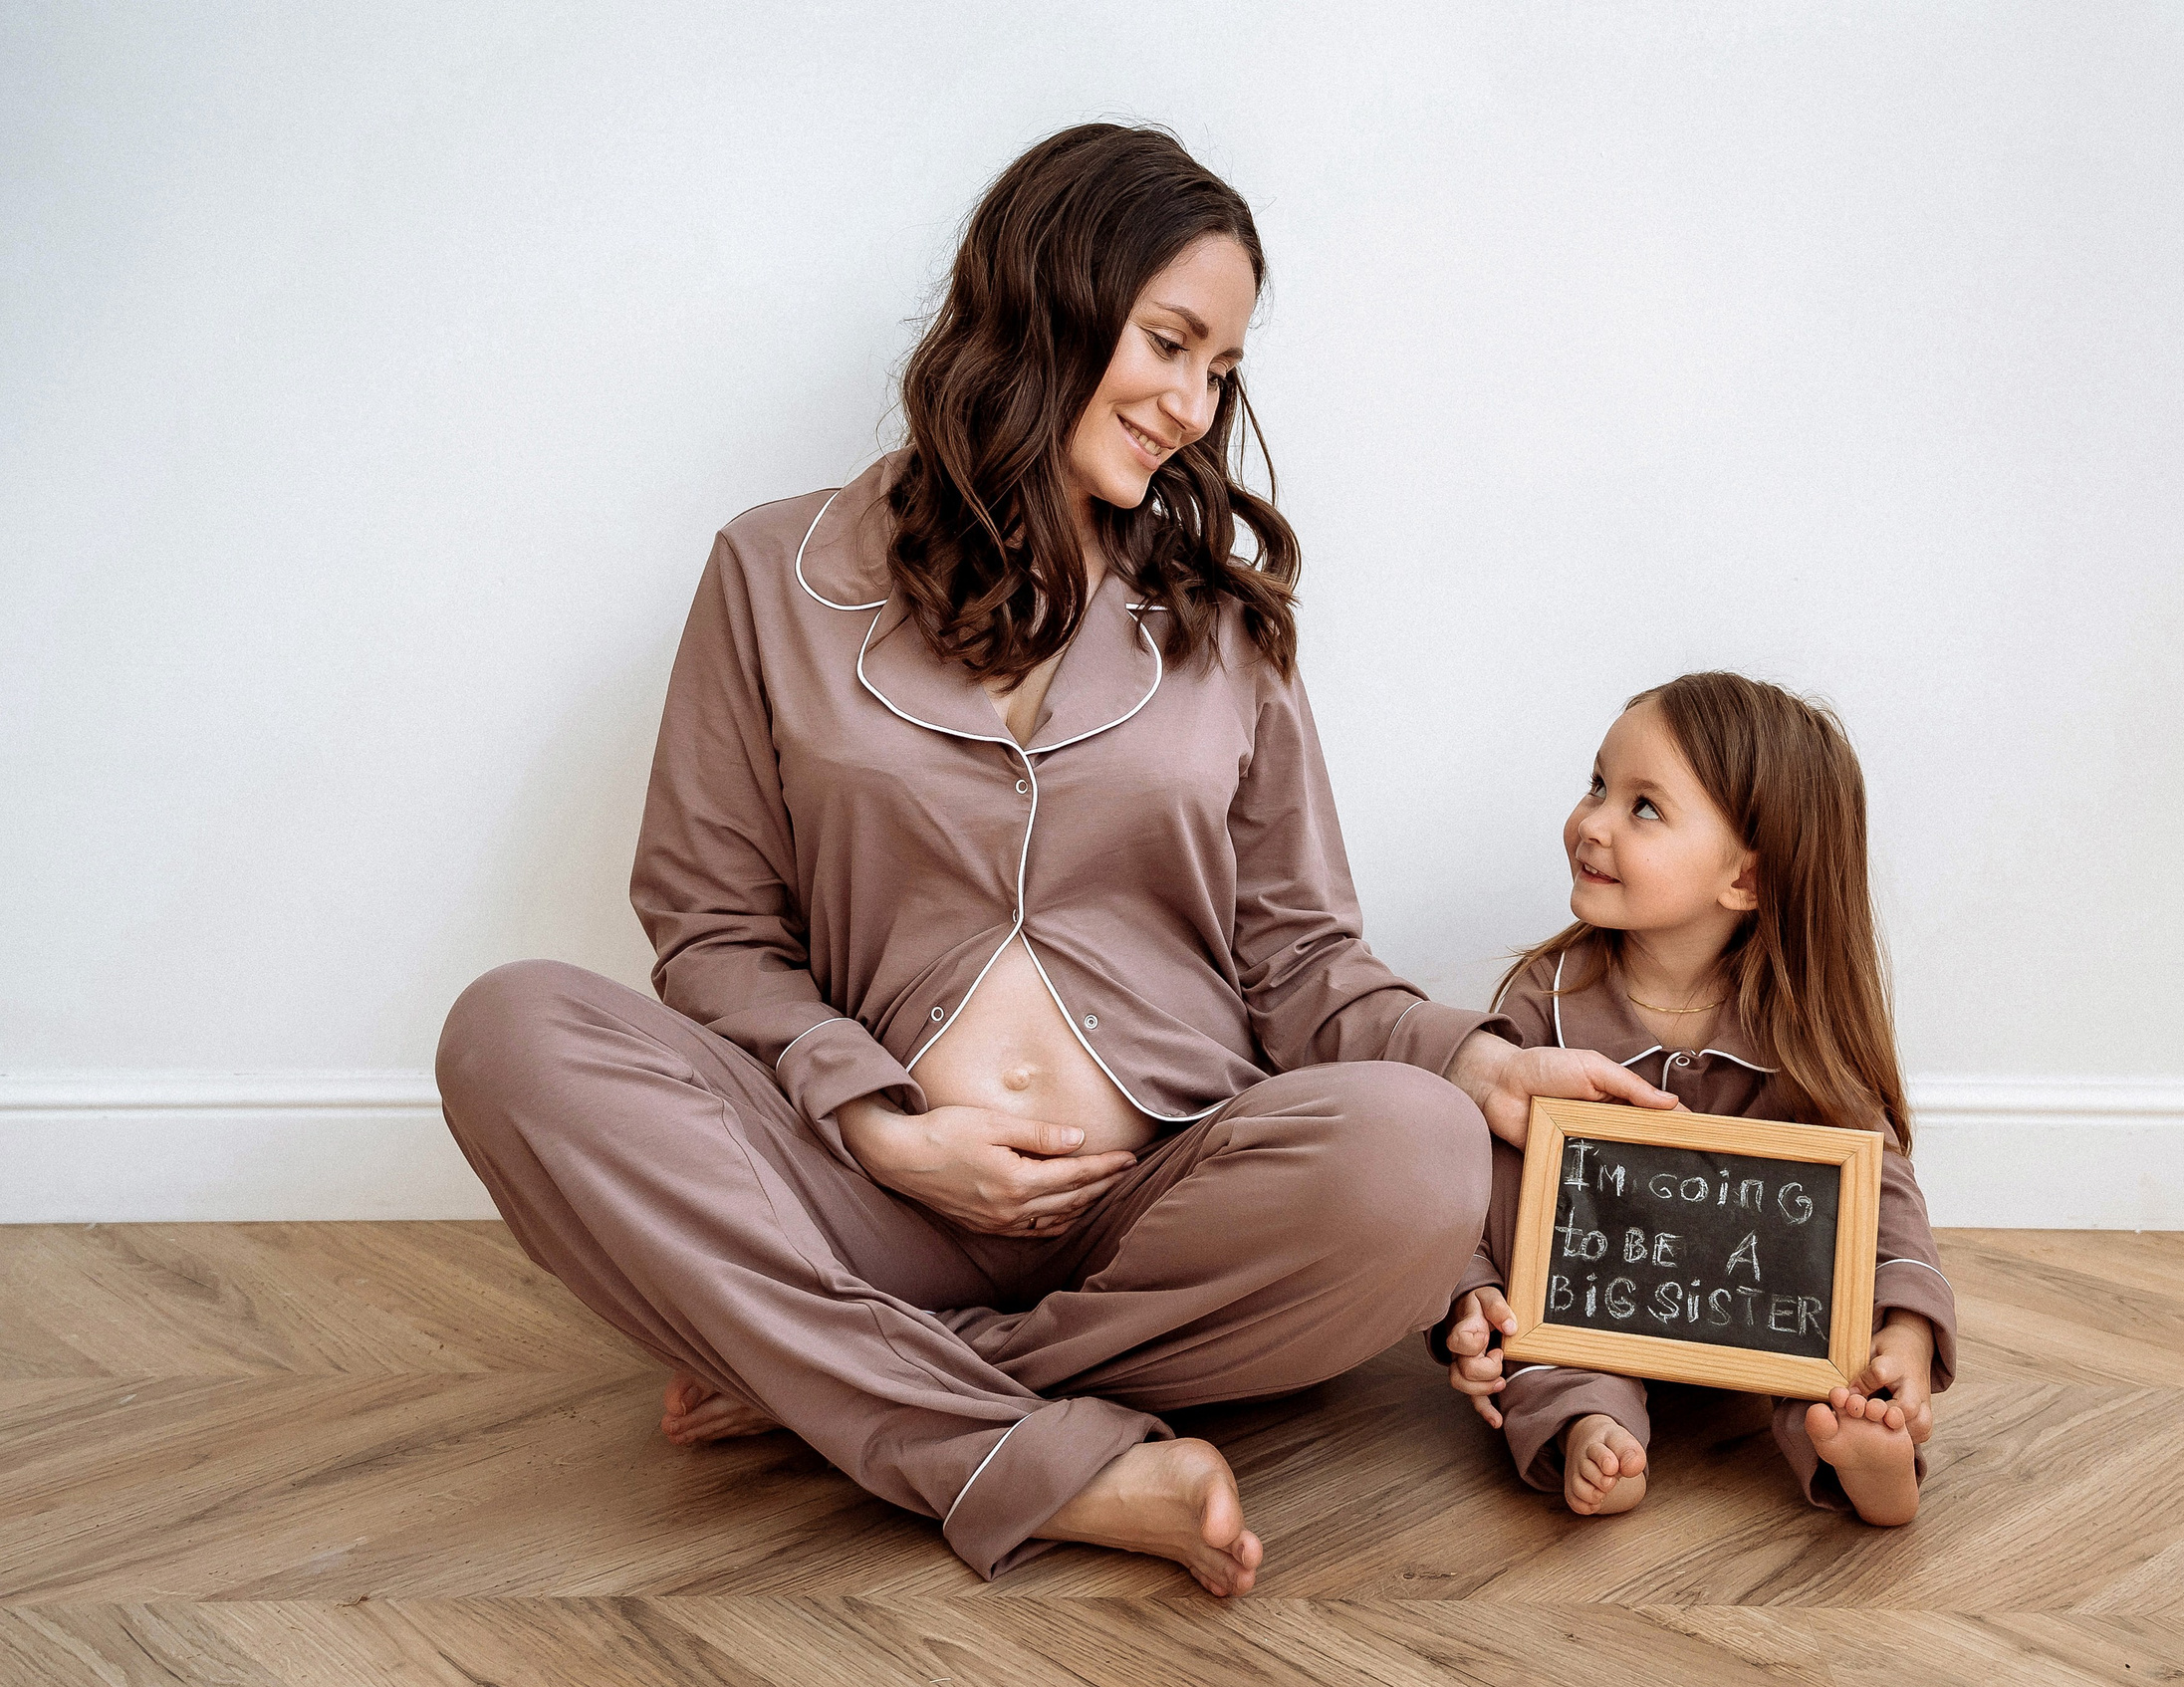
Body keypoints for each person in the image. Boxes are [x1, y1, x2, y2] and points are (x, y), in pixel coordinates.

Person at [433, 122, 1674, 1595]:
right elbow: (711, 934)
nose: (1192, 401)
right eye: (1169, 341)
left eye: (1220, 369)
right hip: (860, 1191)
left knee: (1417, 1152)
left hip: (1160, 1211)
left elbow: (1299, 957)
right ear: (1051, 294)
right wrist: (879, 1122)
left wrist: (1470, 1060)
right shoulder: (772, 573)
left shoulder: (1224, 624)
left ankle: (841, 1386)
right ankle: (1035, 1453)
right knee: (509, 1028)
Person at [1433, 671, 1958, 1525]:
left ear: (1745, 878)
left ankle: (1865, 1458)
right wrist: (1472, 1291)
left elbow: (1878, 1188)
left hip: (1760, 1325)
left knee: (1837, 1362)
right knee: (1542, 1350)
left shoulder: (1796, 1028)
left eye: (1643, 807)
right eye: (1598, 783)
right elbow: (1469, 1164)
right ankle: (1592, 1427)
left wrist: (1907, 1328)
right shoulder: (1548, 998)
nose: (1591, 822)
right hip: (1586, 1312)